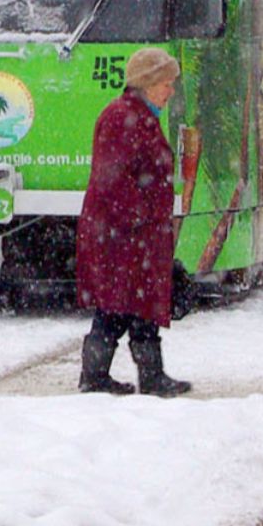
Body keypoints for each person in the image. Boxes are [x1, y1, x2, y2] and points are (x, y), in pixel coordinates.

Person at [76, 46, 190, 396]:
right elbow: (114, 180)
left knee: (137, 307)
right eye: (166, 83)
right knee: (117, 307)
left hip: (136, 234)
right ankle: (97, 378)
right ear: (148, 82)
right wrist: (143, 219)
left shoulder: (138, 115)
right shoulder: (122, 117)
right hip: (123, 236)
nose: (171, 91)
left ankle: (147, 376)